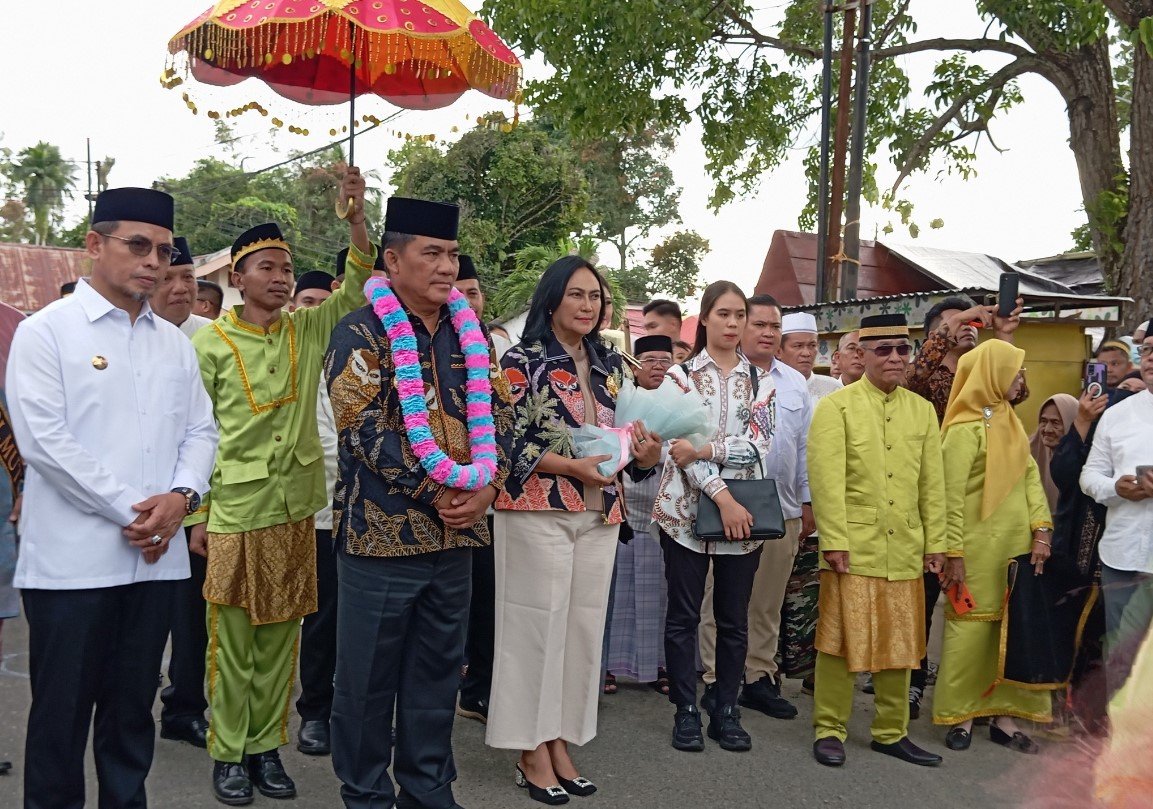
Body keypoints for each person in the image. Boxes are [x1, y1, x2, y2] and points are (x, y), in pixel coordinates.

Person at [7, 187, 218, 808]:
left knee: (131, 716)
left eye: (163, 249)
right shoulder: (46, 333)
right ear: (95, 245)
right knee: (61, 718)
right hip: (72, 565)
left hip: (155, 563)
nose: (153, 260)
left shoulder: (174, 344)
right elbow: (44, 441)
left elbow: (201, 430)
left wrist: (182, 496)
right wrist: (142, 511)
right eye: (137, 245)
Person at [189, 170, 373, 805]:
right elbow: (195, 433)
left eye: (285, 266)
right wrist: (199, 516)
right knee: (233, 639)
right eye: (266, 266)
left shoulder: (307, 331)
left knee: (281, 640)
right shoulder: (208, 344)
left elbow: (355, 288)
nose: (280, 276)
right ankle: (228, 751)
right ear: (237, 277)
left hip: (297, 510)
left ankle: (268, 748)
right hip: (235, 512)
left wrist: (356, 220)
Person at [327, 196, 513, 809]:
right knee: (367, 682)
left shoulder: (473, 333)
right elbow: (362, 427)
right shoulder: (360, 329)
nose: (446, 267)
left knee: (437, 676)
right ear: (393, 259)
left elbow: (504, 421)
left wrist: (487, 485)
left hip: (458, 540)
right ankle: (365, 792)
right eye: (431, 253)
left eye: (452, 255)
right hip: (381, 539)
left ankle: (428, 787)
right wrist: (441, 488)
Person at [488, 256, 660, 805]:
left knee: (582, 632)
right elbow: (504, 441)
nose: (589, 306)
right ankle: (529, 749)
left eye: (597, 297)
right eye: (578, 295)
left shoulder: (612, 365)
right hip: (538, 508)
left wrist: (645, 453)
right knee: (534, 631)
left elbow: (624, 444)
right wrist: (569, 467)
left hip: (600, 511)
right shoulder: (520, 361)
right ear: (552, 299)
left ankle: (561, 741)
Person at [807, 313, 946, 768]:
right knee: (839, 641)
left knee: (901, 642)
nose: (894, 357)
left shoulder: (922, 410)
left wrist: (937, 543)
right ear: (861, 354)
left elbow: (933, 484)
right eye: (882, 349)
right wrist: (834, 541)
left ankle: (891, 731)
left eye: (902, 349)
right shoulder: (837, 407)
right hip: (853, 546)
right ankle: (829, 728)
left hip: (905, 544)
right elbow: (825, 481)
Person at [653, 280, 776, 754]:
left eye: (740, 315)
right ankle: (685, 710)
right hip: (686, 512)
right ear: (704, 318)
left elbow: (759, 446)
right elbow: (673, 446)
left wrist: (706, 450)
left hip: (742, 518)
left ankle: (725, 709)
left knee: (733, 619)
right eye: (723, 314)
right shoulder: (680, 377)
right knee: (682, 617)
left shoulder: (760, 380)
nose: (732, 323)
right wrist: (720, 494)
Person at [903, 293, 1025, 717]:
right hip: (923, 494)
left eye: (975, 321)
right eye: (958, 323)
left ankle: (970, 685)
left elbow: (1018, 390)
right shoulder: (926, 373)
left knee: (965, 594)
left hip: (976, 501)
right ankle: (912, 680)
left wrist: (1003, 337)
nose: (970, 327)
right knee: (921, 593)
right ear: (937, 332)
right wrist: (950, 329)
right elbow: (912, 378)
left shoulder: (986, 371)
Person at [932, 340, 1054, 754]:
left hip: (1015, 547)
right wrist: (954, 553)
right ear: (993, 374)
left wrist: (1041, 531)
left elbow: (1030, 480)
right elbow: (946, 496)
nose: (1021, 379)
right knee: (969, 632)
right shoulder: (964, 429)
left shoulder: (1011, 422)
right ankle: (961, 716)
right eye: (1015, 371)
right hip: (973, 550)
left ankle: (1004, 719)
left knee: (1013, 630)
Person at [697, 293, 813, 720]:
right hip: (724, 504)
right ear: (740, 327)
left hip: (779, 507)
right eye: (758, 323)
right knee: (721, 599)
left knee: (766, 602)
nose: (767, 332)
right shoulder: (727, 376)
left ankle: (759, 676)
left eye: (774, 326)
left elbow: (802, 450)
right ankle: (714, 677)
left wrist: (806, 502)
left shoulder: (796, 383)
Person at [150, 236, 215, 750]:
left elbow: (217, 433)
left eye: (187, 278)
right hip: (126, 502)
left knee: (191, 616)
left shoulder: (210, 338)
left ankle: (184, 707)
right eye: (168, 277)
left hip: (191, 502)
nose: (178, 288)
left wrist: (198, 510)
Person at [283, 266, 341, 757]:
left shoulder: (376, 349)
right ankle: (317, 712)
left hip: (380, 510)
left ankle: (358, 710)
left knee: (374, 623)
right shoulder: (300, 358)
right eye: (309, 304)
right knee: (322, 618)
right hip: (322, 510)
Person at [1080, 331, 1153, 697]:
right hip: (1123, 554)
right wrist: (1115, 488)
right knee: (1121, 658)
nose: (1152, 357)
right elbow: (1089, 475)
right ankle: (1119, 746)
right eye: (1149, 349)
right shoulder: (1119, 414)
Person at [455, 252, 511, 726]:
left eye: (473, 292)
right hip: (436, 499)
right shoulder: (415, 339)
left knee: (489, 605)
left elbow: (504, 422)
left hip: (491, 504)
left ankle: (478, 691)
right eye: (459, 290)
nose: (465, 300)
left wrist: (491, 487)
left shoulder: (490, 351)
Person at [603, 334, 674, 696]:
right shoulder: (618, 399)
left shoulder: (682, 401)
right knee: (617, 590)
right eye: (649, 359)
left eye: (665, 360)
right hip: (624, 505)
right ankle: (609, 666)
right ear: (634, 364)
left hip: (665, 510)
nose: (658, 366)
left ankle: (661, 664)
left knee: (661, 592)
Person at [151, 237, 213, 337]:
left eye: (188, 277)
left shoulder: (216, 335)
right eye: (166, 278)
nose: (180, 289)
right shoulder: (128, 333)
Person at [779, 312, 842, 398]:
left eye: (812, 345)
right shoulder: (768, 389)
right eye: (798, 346)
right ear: (778, 351)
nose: (806, 353)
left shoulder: (834, 389)